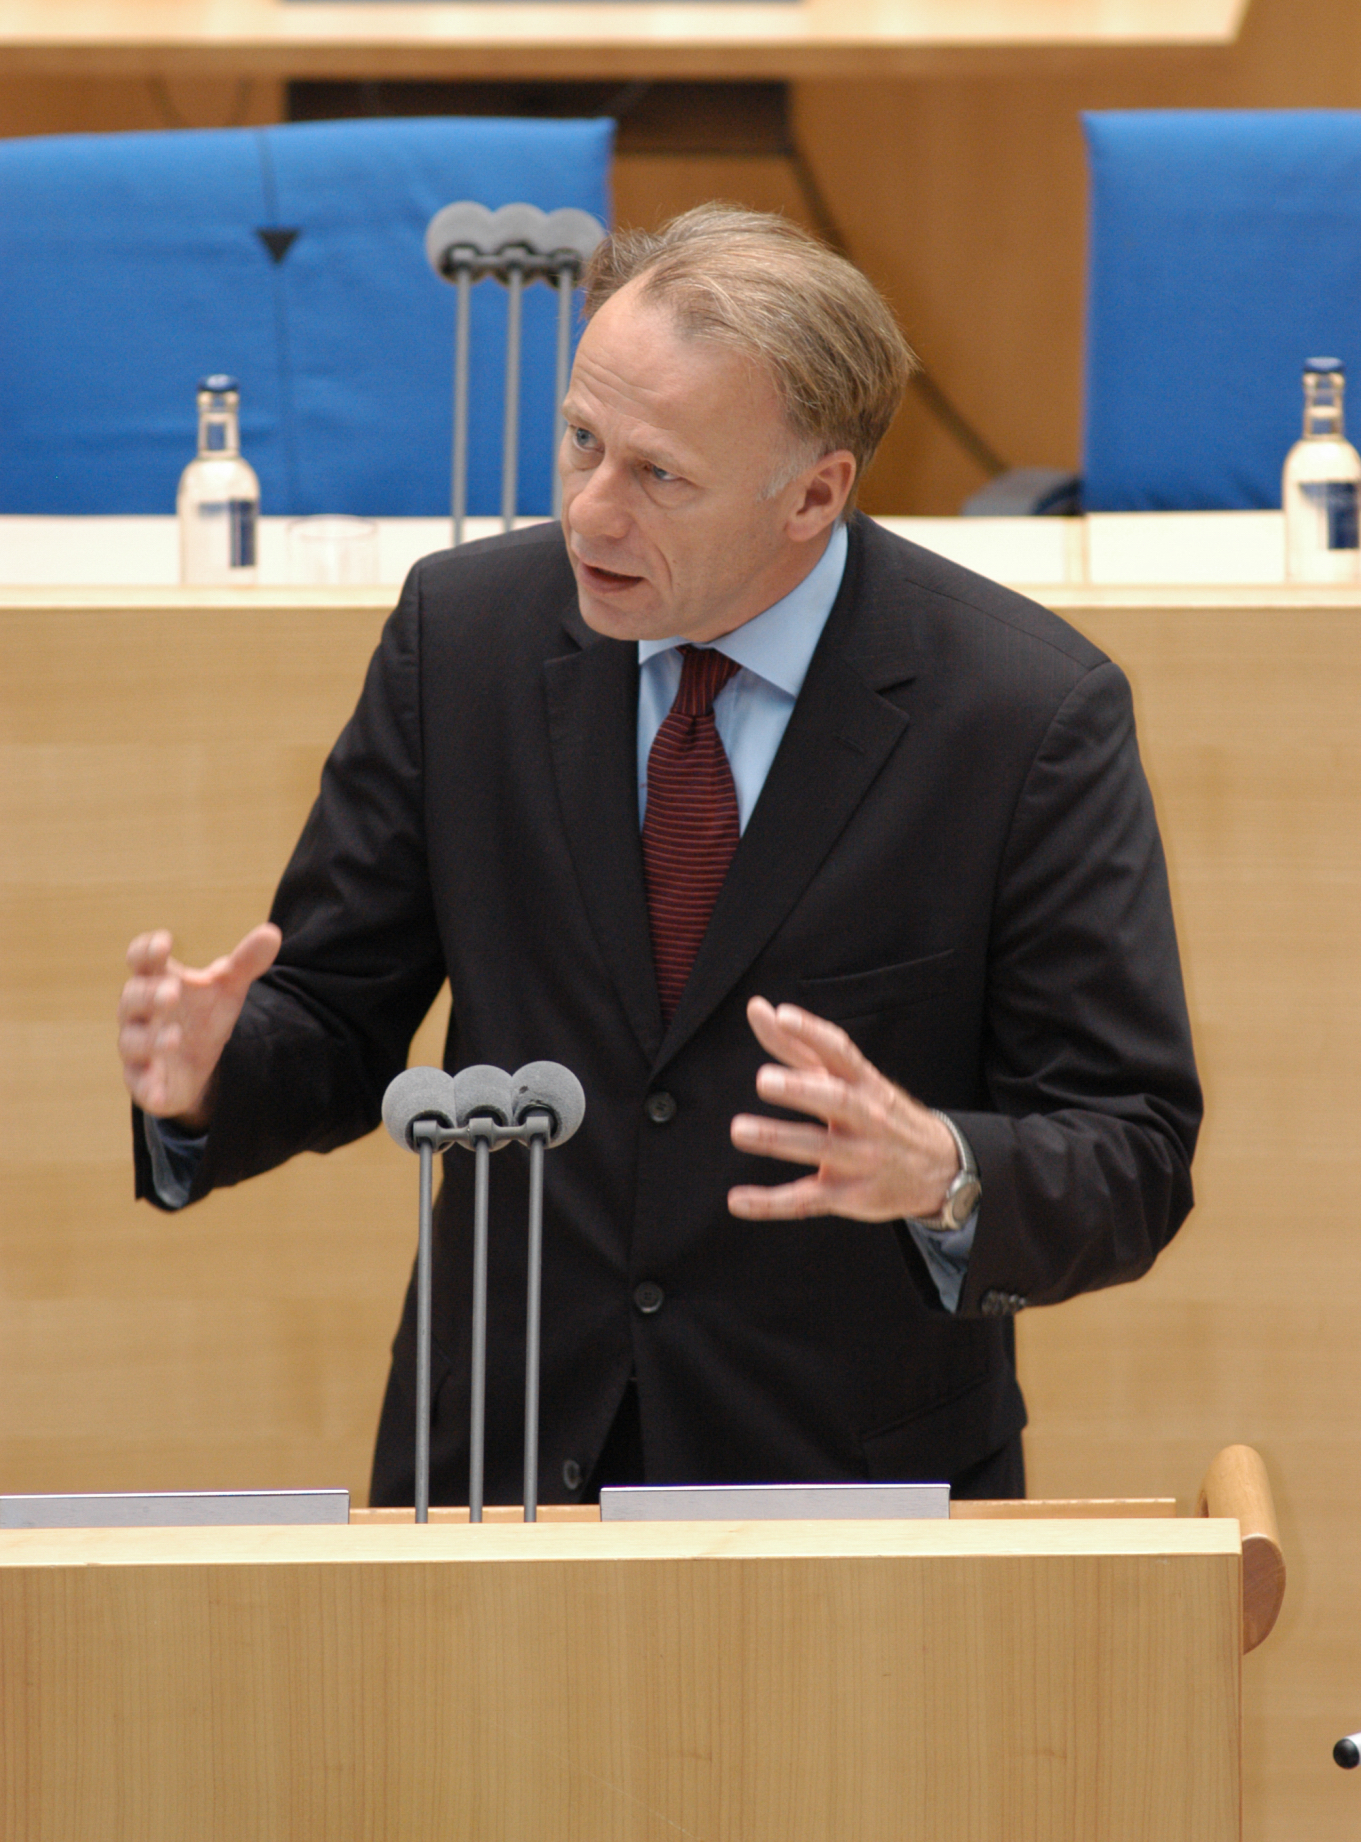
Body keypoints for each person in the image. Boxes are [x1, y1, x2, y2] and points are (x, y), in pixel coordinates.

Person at [117, 204, 1200, 1505]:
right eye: (582, 439)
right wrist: (213, 1074)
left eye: (659, 476)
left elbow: (1131, 1147)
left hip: (845, 1493)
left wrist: (944, 1172)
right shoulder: (464, 638)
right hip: (504, 1461)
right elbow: (334, 1017)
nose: (589, 510)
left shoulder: (1021, 716)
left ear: (814, 494)